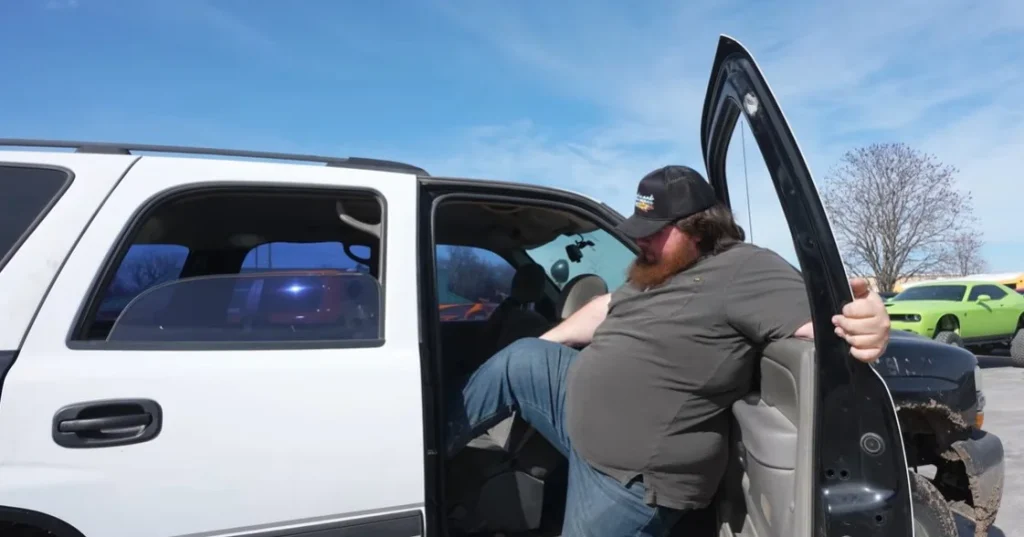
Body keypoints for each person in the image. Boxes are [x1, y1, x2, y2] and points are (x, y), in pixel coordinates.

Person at [445, 165, 891, 537]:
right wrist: (550, 341)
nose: (642, 240)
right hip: (578, 422)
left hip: (632, 478)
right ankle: (430, 448)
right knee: (523, 355)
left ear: (700, 229)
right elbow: (604, 306)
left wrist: (871, 316)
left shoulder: (746, 268)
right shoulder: (657, 269)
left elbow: (831, 318)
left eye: (654, 231)